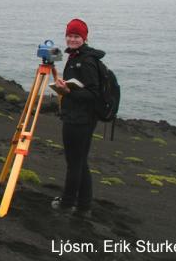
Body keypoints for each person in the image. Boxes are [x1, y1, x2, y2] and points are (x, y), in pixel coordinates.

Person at [51, 18, 104, 217]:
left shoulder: (86, 61)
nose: (72, 39)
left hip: (79, 119)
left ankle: (67, 203)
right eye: (70, 36)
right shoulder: (77, 57)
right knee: (80, 162)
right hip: (82, 118)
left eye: (76, 36)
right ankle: (83, 206)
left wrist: (68, 92)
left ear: (84, 38)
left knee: (74, 163)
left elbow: (93, 93)